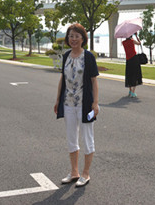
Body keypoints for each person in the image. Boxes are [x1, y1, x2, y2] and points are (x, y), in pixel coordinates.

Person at [54, 23, 99, 188]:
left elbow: (94, 81)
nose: (73, 39)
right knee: (71, 138)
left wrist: (95, 102)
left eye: (76, 36)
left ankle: (85, 173)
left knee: (88, 138)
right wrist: (58, 100)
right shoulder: (66, 56)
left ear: (83, 38)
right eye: (71, 36)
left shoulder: (88, 57)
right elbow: (62, 79)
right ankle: (74, 172)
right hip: (68, 104)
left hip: (85, 104)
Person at [122, 33, 142, 98]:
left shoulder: (123, 42)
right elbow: (139, 43)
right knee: (135, 75)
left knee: (129, 75)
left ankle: (130, 91)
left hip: (128, 60)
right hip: (134, 59)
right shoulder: (132, 41)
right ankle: (133, 92)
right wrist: (136, 36)